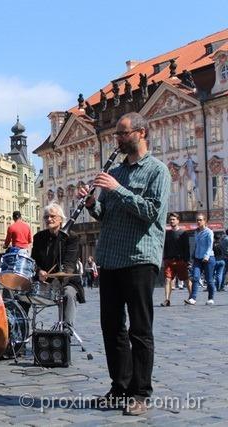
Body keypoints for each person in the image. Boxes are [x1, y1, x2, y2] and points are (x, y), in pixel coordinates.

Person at [76, 112, 171, 416]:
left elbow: (152, 212)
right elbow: (109, 214)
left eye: (122, 133)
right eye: (116, 134)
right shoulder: (116, 171)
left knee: (140, 329)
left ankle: (141, 392)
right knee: (112, 328)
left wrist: (118, 189)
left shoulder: (157, 171)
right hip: (110, 258)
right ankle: (120, 387)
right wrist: (94, 204)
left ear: (141, 133)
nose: (116, 139)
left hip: (140, 257)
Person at [30, 203, 85, 328]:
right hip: (42, 280)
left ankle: (66, 330)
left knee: (68, 294)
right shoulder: (39, 237)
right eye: (46, 217)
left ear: (61, 218)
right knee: (19, 291)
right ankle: (19, 332)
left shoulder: (72, 237)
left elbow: (69, 266)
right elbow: (33, 261)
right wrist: (39, 271)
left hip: (66, 281)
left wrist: (54, 281)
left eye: (52, 216)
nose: (49, 219)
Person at [185, 213, 216, 306]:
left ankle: (211, 298)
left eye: (200, 220)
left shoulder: (209, 232)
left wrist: (206, 256)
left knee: (209, 279)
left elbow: (210, 245)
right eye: (197, 220)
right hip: (198, 258)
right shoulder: (196, 232)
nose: (198, 222)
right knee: (195, 277)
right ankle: (193, 298)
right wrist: (193, 255)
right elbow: (197, 246)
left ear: (205, 221)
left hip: (208, 258)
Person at [161, 212, 190, 306]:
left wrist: (186, 260)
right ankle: (167, 300)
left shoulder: (183, 233)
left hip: (180, 260)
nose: (171, 221)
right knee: (167, 279)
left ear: (178, 221)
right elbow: (165, 247)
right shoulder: (167, 233)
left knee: (185, 279)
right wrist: (164, 258)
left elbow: (187, 247)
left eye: (173, 219)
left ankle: (192, 297)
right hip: (169, 260)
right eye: (170, 219)